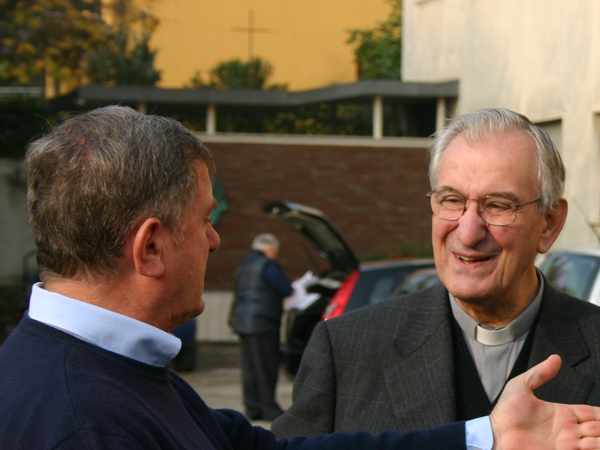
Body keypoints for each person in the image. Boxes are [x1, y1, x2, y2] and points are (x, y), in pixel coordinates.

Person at [1, 106, 600, 450]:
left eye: (498, 205)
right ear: (151, 246)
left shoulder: (123, 377)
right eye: (206, 220)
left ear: (549, 223)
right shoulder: (81, 423)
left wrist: (482, 437)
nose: (216, 239)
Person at [273, 107, 600, 437]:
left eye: (498, 205)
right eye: (452, 200)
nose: (468, 232)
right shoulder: (347, 351)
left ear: (549, 223)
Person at [230, 233, 293, 420]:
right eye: (276, 251)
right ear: (270, 248)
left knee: (249, 368)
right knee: (266, 367)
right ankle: (269, 409)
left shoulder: (244, 265)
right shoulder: (268, 265)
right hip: (263, 323)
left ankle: (253, 408)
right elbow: (286, 289)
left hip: (243, 322)